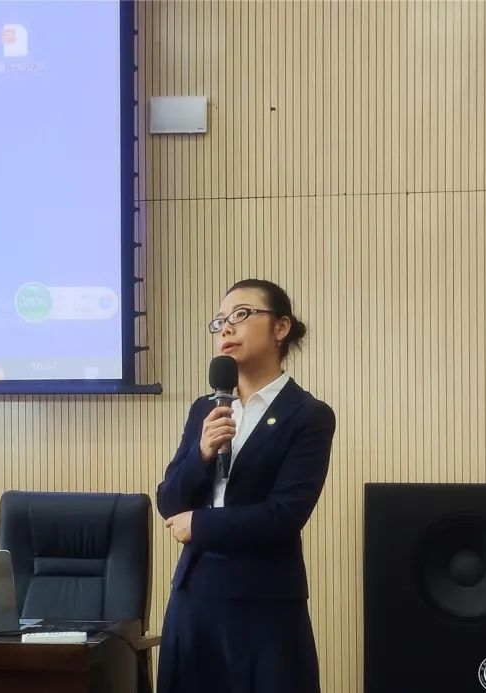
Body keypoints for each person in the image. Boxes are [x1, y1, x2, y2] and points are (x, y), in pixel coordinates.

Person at [156, 278, 337, 693]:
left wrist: (198, 525)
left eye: (241, 314)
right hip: (194, 595)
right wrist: (202, 453)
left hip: (263, 602)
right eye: (220, 320)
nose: (226, 327)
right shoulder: (205, 409)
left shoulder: (308, 415)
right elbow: (169, 500)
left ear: (281, 327)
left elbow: (283, 516)